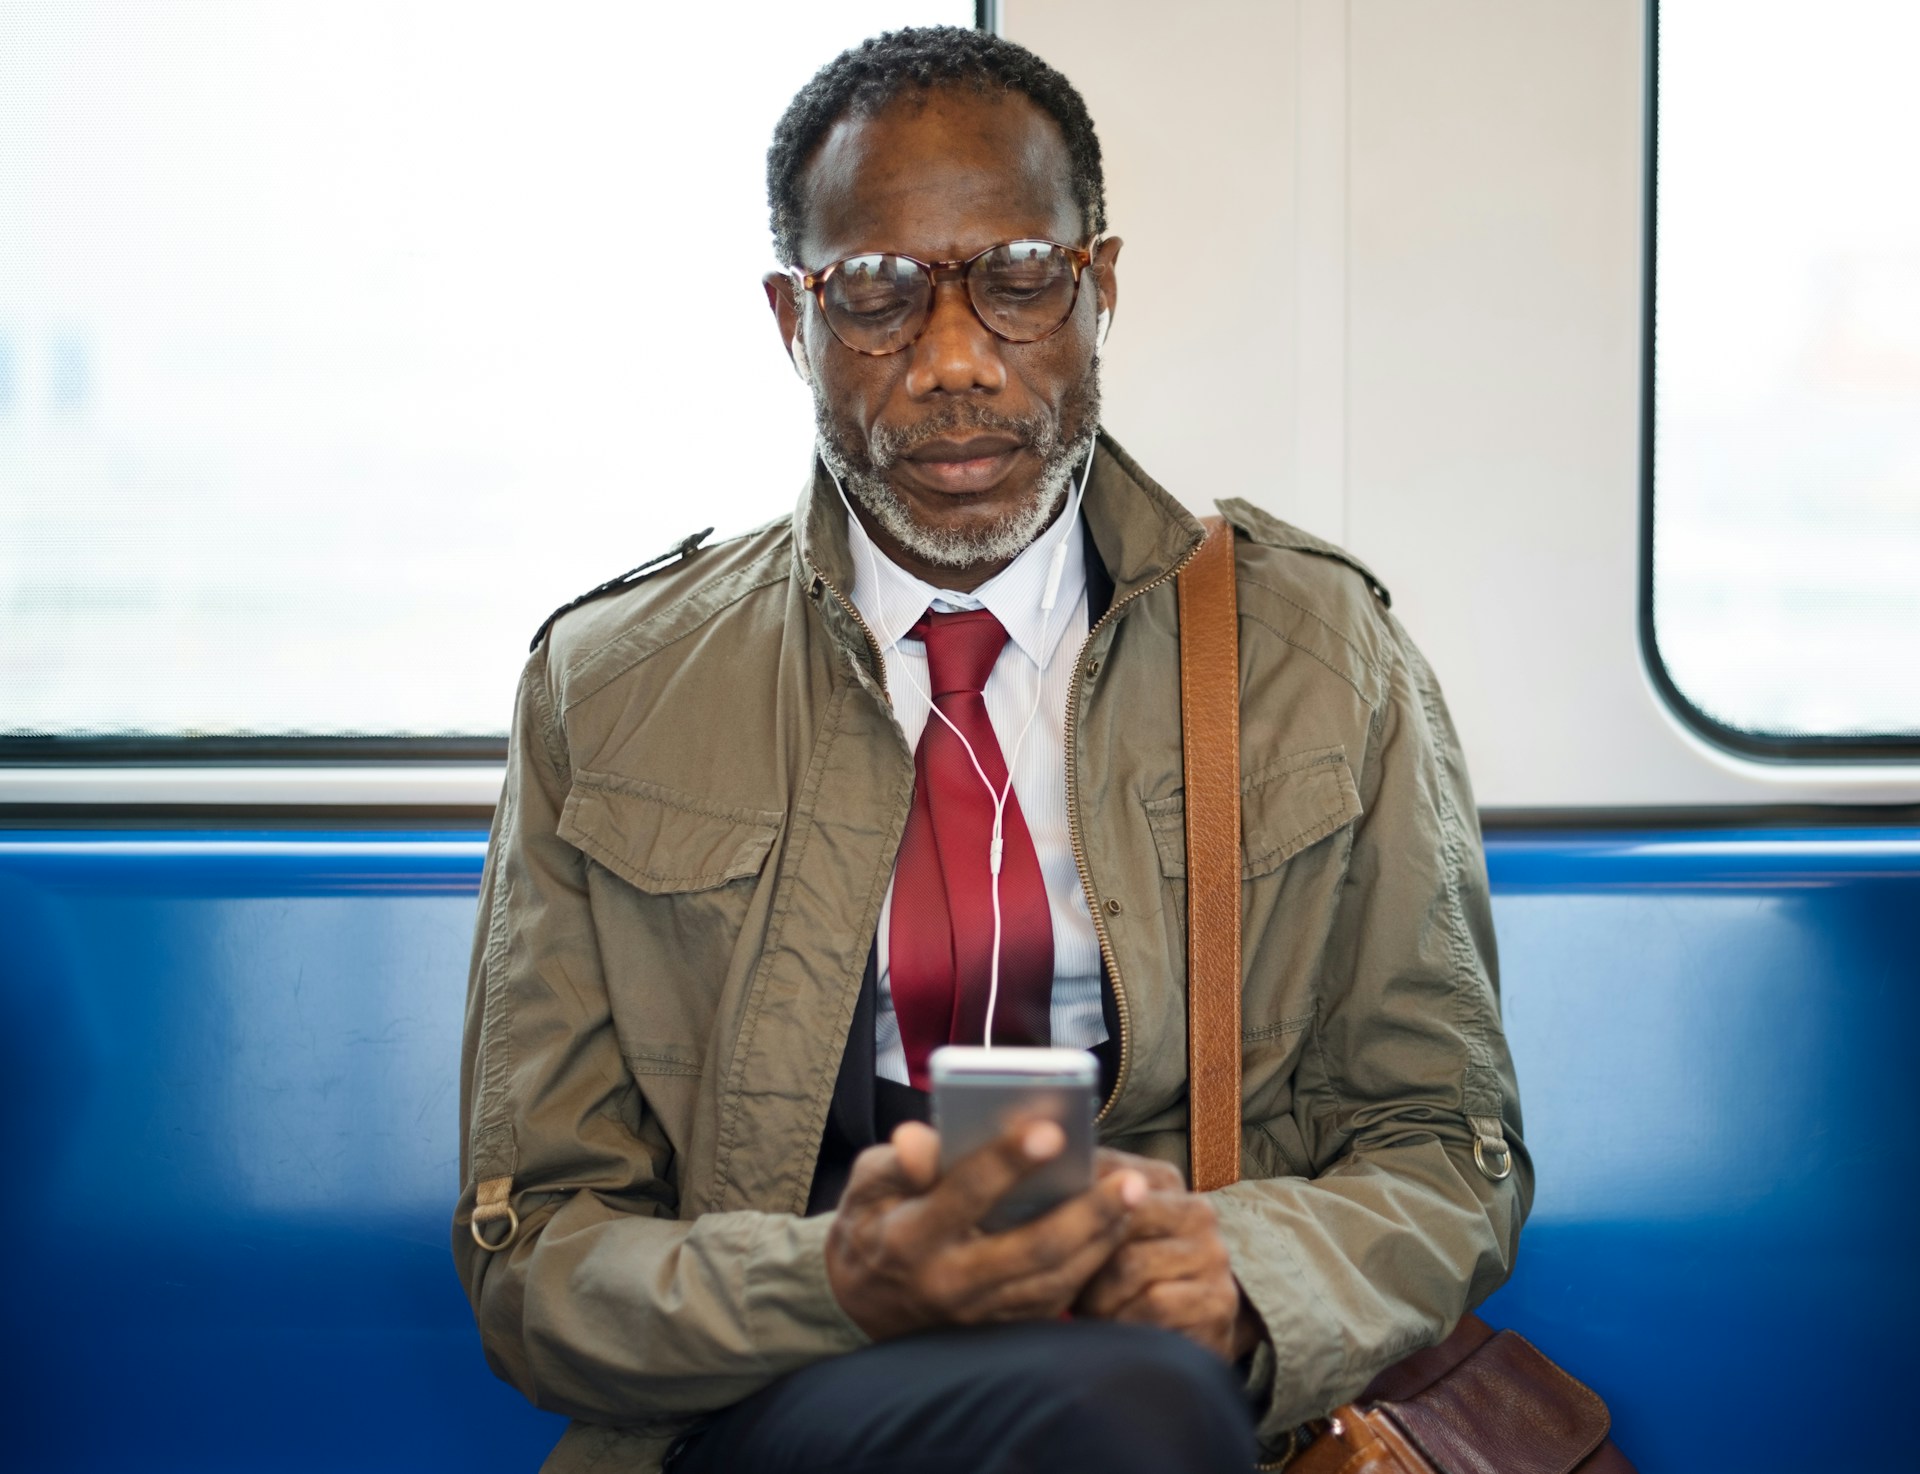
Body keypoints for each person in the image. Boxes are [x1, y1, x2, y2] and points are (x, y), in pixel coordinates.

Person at [454, 25, 1530, 1474]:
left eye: (1019, 280)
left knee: (1137, 1402)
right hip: (786, 1390)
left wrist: (1241, 1278)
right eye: (877, 293)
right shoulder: (613, 689)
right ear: (793, 321)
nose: (955, 361)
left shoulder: (1317, 655)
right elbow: (538, 1257)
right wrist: (836, 1279)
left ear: (1099, 288)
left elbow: (1446, 1148)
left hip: (1199, 1392)